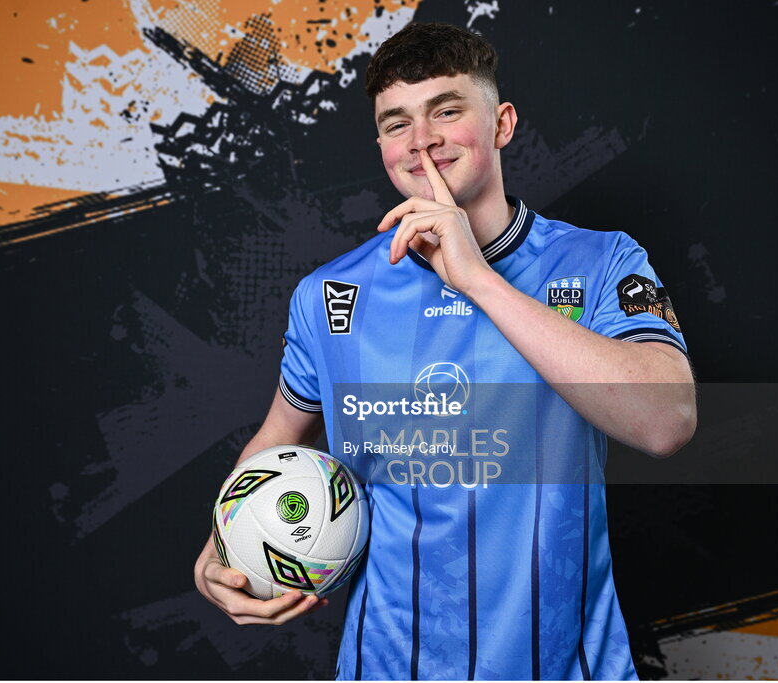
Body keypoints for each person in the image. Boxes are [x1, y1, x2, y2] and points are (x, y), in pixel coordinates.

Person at [194, 22, 695, 680]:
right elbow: (277, 437)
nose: (421, 140)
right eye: (396, 122)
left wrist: (479, 280)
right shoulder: (331, 296)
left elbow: (666, 422)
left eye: (447, 111)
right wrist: (222, 543)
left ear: (502, 124)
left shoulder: (601, 261)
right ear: (380, 144)